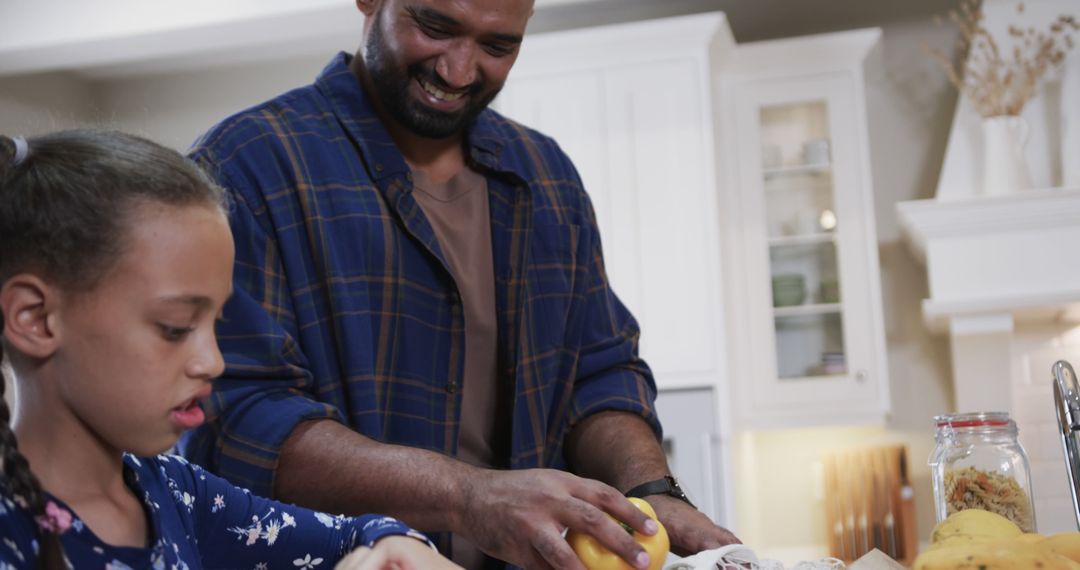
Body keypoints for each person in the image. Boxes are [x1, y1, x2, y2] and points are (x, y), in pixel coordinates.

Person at [181, 0, 742, 568]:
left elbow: (598, 374)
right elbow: (240, 422)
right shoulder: (247, 166)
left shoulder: (547, 177)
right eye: (435, 27)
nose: (458, 71)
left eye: (497, 47)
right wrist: (467, 497)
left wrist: (650, 493)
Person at [0, 130, 461, 570]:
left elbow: (359, 535)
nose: (213, 362)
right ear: (35, 318)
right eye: (175, 328)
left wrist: (394, 545)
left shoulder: (173, 490)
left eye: (214, 324)